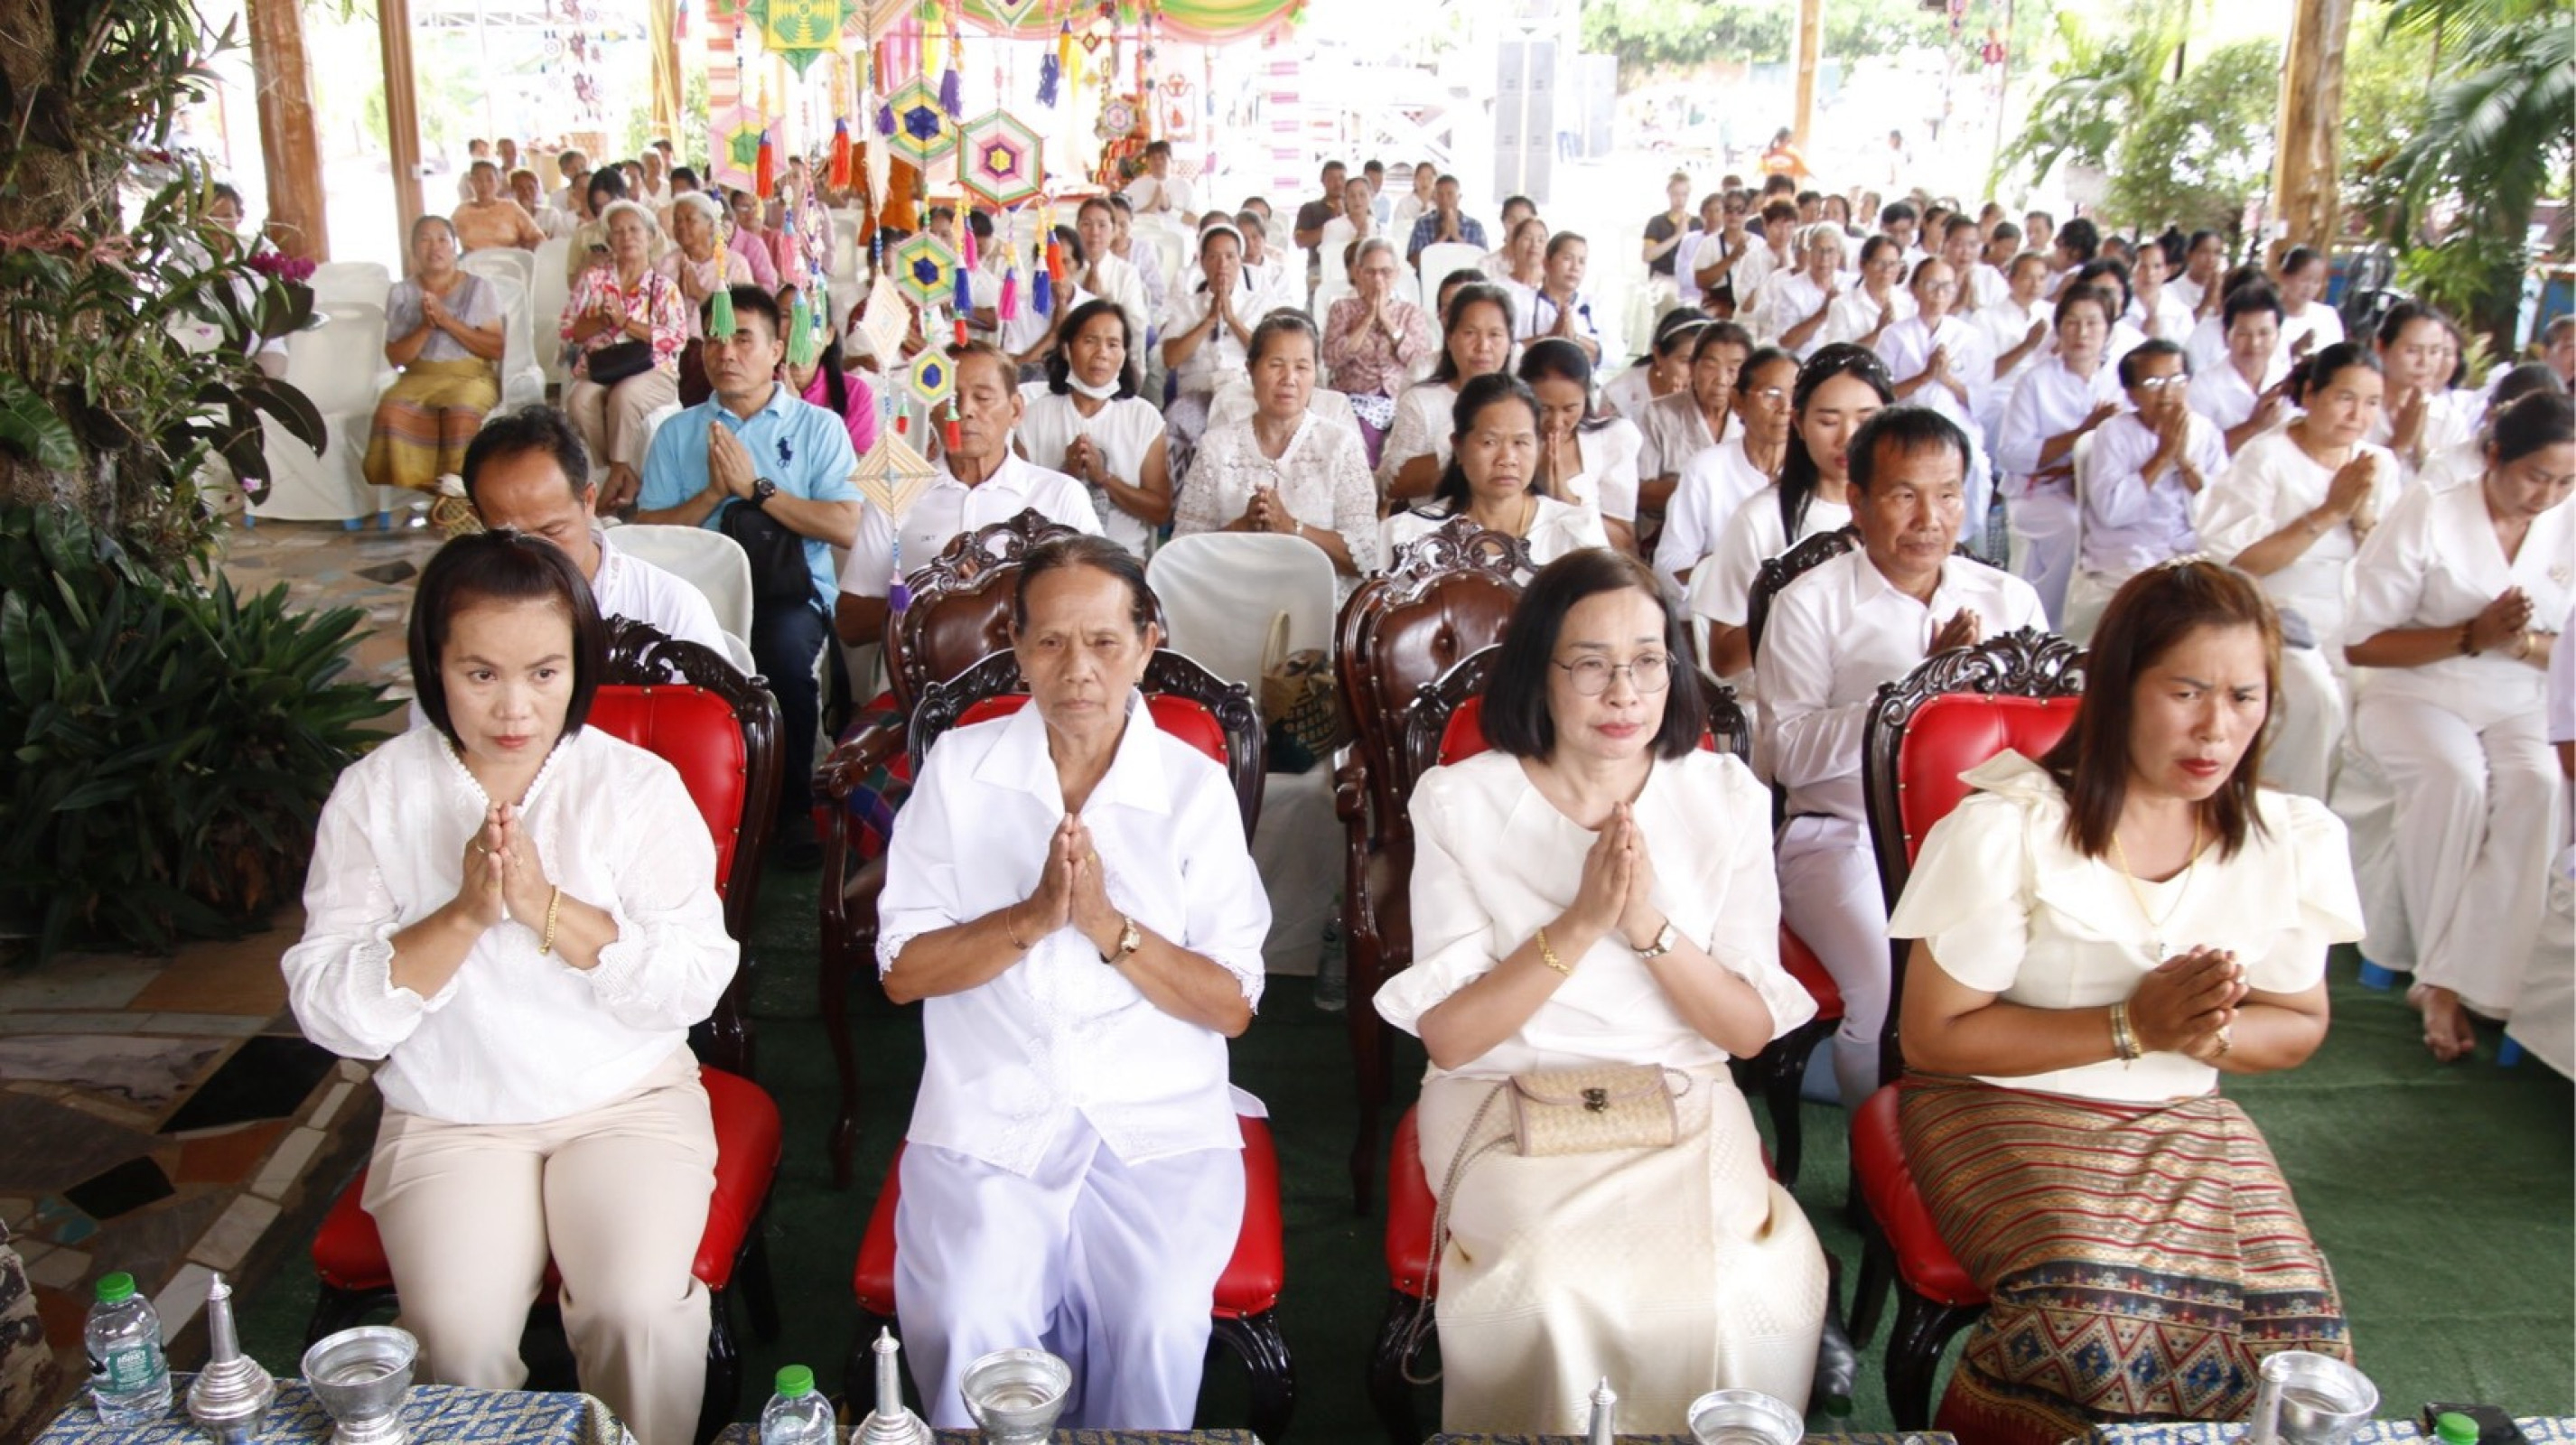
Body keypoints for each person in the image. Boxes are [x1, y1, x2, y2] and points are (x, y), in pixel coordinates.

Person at [1890, 559, 2361, 1445]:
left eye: (2243, 697)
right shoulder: (2009, 828)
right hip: (1994, 1100)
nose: (2215, 728)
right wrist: (2130, 1025)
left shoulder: (2283, 839)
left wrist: (2203, 1028)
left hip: (2181, 1113)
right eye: (2184, 691)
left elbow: (2296, 1021)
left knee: (2295, 1328)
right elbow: (1934, 1037)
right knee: (2087, 1311)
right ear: (2116, 688)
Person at [282, 530, 737, 1445]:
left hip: (624, 1098)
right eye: (479, 674)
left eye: (543, 671)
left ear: (581, 663)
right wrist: (460, 914)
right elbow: (328, 1001)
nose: (514, 706)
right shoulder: (376, 793)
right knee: (456, 1335)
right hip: (452, 1109)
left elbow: (693, 978)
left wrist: (542, 905)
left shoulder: (635, 786)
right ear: (433, 665)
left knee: (634, 1313)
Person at [1375, 547, 1829, 1432]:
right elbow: (1452, 1039)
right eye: (1589, 663)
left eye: (1647, 660)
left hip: (1679, 1089)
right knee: (1548, 1280)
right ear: (1538, 672)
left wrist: (1645, 926)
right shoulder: (1460, 801)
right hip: (1501, 1091)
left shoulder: (1723, 795)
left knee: (1743, 1287)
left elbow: (1741, 1034)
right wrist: (1580, 921)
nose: (1622, 690)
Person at [877, 536, 1271, 1431]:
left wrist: (1106, 926)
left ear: (1146, 643)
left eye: (1103, 641)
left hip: (1154, 1117)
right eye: (1049, 642)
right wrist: (1030, 917)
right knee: (971, 1314)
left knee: (1156, 1318)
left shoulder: (1192, 787)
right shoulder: (959, 772)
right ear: (1015, 649)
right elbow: (902, 973)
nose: (1077, 669)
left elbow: (1230, 1004)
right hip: (990, 1108)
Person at [1759, 406, 2047, 1105]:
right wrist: (1915, 695)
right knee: (1888, 994)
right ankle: (1880, 1126)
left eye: (1948, 493)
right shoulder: (1809, 604)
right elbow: (1787, 755)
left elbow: (2049, 739)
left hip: (1984, 838)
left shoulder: (2009, 598)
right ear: (1856, 501)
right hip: (1841, 838)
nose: (1930, 518)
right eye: (1904, 494)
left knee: (2043, 975)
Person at [2345, 391, 2573, 1059]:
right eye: (2537, 476)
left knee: (2539, 784)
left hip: (2524, 692)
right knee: (2456, 781)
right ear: (2495, 454)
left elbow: (2569, 655)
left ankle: (2494, 981)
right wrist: (2469, 637)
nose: (2548, 494)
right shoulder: (2431, 511)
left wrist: (2520, 645)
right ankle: (2439, 980)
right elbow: (2362, 645)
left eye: (2567, 481)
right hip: (2417, 689)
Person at [635, 285, 863, 863]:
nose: (725, 351)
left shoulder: (819, 428)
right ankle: (687, 805)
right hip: (694, 595)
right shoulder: (678, 432)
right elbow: (649, 528)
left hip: (790, 593)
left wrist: (755, 490)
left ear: (777, 349)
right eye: (714, 337)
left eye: (742, 337)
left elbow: (845, 525)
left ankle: (787, 809)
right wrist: (713, 492)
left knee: (782, 652)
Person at [2193, 343, 2401, 799]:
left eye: (2371, 403)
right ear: (2310, 394)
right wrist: (2330, 512)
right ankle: (2290, 819)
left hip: (2356, 613)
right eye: (2345, 398)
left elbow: (2390, 559)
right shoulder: (2267, 457)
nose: (2357, 415)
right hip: (2276, 611)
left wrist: (2362, 519)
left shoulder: (2377, 464)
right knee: (2317, 703)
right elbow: (2240, 562)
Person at [837, 341, 1102, 648]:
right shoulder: (895, 497)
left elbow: (1102, 600)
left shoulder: (1059, 495)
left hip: (1031, 687)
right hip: (921, 688)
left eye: (983, 397)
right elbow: (850, 624)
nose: (963, 411)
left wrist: (1002, 591)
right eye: (948, 398)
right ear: (930, 407)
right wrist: (933, 592)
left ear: (1016, 410)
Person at [1690, 344, 1893, 686]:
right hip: (1784, 706)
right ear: (1798, 422)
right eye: (1828, 421)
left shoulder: (1904, 515)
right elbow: (1724, 659)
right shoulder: (1761, 518)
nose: (1848, 438)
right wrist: (1790, 595)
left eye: (1866, 420)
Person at [459, 406, 731, 659]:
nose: (533, 552)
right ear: (478, 519)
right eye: (509, 537)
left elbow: (716, 710)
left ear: (588, 501)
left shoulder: (667, 606)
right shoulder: (464, 611)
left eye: (552, 530)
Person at [1173, 312, 1381, 601]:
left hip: (1320, 615)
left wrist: (1292, 528)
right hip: (1230, 609)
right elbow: (1182, 556)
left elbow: (1367, 558)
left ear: (1315, 375)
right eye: (1276, 365)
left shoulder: (1340, 445)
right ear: (1251, 369)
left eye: (1302, 367)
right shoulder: (1216, 448)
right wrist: (1241, 528)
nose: (1289, 379)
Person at [2066, 340, 2227, 641]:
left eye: (2177, 380)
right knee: (2159, 602)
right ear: (2131, 392)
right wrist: (2162, 457)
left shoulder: (2205, 431)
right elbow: (2112, 511)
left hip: (2191, 546)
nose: (2167, 393)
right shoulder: (2113, 434)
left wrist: (2184, 462)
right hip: (2130, 547)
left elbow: (2219, 508)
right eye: (2154, 383)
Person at [1995, 284, 2125, 622]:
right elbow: (2012, 454)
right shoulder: (2036, 381)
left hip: (2101, 491)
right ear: (2059, 328)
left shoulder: (2119, 381)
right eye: (2072, 322)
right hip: (2041, 492)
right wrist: (2082, 432)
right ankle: (2045, 632)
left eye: (2093, 323)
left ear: (2108, 331)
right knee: (2070, 527)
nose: (2082, 333)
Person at [1384, 373, 1608, 567]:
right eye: (1490, 442)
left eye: (1521, 443)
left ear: (1539, 447)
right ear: (1459, 448)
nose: (1507, 459)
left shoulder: (1574, 535)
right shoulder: (1409, 537)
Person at [1017, 298, 1172, 558]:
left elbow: (1160, 511)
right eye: (1090, 341)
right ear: (1067, 349)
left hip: (1122, 556)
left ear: (1123, 355)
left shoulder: (1143, 417)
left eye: (1113, 344)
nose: (1102, 353)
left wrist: (1104, 479)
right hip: (1051, 557)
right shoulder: (1035, 415)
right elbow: (1017, 508)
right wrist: (1067, 476)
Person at [559, 200, 686, 515]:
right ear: (609, 239)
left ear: (650, 236)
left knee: (624, 395)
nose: (627, 237)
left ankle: (616, 476)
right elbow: (566, 330)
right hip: (603, 368)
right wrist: (603, 321)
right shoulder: (593, 279)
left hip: (654, 370)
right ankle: (621, 475)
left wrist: (625, 322)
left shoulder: (663, 286)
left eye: (634, 230)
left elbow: (677, 337)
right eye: (618, 232)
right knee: (580, 399)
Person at [365, 216, 505, 498]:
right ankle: (434, 492)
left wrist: (447, 321)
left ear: (455, 247)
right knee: (391, 410)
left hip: (471, 375)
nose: (435, 247)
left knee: (462, 410)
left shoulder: (479, 288)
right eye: (425, 240)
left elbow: (495, 348)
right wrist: (427, 325)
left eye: (442, 239)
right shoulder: (402, 292)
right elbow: (396, 358)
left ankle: (462, 496)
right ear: (413, 250)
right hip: (419, 375)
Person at [1657, 346, 1797, 587]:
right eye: (1771, 394)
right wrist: (1733, 564)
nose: (1785, 407)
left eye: (1797, 395)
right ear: (1738, 402)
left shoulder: (1818, 471)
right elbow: (1669, 565)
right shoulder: (1706, 469)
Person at [1874, 258, 1993, 536]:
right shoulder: (1894, 335)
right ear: (1915, 289)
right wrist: (1925, 376)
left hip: (1957, 429)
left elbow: (1980, 401)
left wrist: (1946, 378)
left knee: (1975, 469)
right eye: (1931, 285)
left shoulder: (1970, 336)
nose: (1939, 293)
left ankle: (1962, 539)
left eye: (1946, 287)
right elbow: (1881, 395)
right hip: (1906, 428)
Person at [1380, 282, 1517, 502]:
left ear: (1510, 342)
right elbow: (1394, 485)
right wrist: (1466, 450)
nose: (1483, 346)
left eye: (1495, 335)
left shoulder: (1523, 404)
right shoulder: (1422, 402)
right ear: (1450, 338)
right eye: (1470, 333)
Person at [1518, 339, 1647, 553]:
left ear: (1586, 399)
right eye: (1545, 408)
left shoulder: (1611, 440)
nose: (1557, 422)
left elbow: (1624, 541)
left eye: (1569, 409)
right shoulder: (1506, 441)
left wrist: (1566, 500)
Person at [1323, 237, 1438, 461]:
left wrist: (1386, 319)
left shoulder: (1410, 312)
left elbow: (1419, 359)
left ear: (1396, 274)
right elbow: (1331, 358)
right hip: (1357, 398)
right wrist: (1367, 320)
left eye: (1385, 272)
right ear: (1357, 273)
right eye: (1370, 272)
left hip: (1401, 397)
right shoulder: (1342, 309)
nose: (1378, 279)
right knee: (1362, 448)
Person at [1159, 223, 1259, 476]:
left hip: (1245, 392)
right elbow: (1170, 358)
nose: (1222, 264)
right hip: (1198, 393)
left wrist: (1233, 320)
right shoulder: (1186, 307)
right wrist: (1209, 320)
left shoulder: (1260, 305)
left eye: (1230, 256)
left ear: (1241, 261)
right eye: (1213, 257)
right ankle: (1181, 507)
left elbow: (1267, 355)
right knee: (1178, 420)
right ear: (1202, 263)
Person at [658, 191, 757, 406]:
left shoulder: (733, 264)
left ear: (711, 226)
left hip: (717, 348)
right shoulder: (668, 264)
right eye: (677, 221)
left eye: (690, 220)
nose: (682, 226)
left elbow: (743, 317)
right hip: (672, 351)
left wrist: (700, 293)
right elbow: (656, 315)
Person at [2370, 301, 2482, 483]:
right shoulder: (2358, 411)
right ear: (2381, 347)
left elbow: (2451, 491)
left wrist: (2419, 447)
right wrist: (2398, 445)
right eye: (2412, 351)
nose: (2425, 362)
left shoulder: (2449, 420)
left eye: (2435, 351)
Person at [1636, 319, 1744, 505]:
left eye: (1733, 369)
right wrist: (1702, 492)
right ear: (1693, 367)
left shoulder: (1751, 420)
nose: (1721, 380)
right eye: (1711, 367)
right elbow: (1640, 489)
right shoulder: (1659, 414)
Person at [776, 284, 879, 461]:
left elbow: (856, 470)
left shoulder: (855, 393)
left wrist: (798, 413)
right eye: (786, 316)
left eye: (811, 318)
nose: (798, 328)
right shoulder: (754, 386)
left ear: (829, 335)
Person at [2187, 283, 2291, 453]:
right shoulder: (2202, 386)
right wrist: (2254, 426)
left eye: (2264, 333)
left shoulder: (2288, 380)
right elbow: (2197, 453)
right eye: (2243, 334)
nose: (2254, 344)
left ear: (2278, 336)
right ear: (2225, 336)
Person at [1072, 196, 1153, 350]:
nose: (1094, 232)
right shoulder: (1068, 270)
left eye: (1102, 225)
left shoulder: (1127, 273)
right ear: (1077, 228)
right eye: (1087, 224)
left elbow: (1137, 327)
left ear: (1114, 230)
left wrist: (1106, 304)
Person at [1759, 224, 1848, 363]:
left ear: (1839, 255)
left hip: (1842, 364)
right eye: (1819, 250)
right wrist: (1822, 313)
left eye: (1830, 251)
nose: (1824, 258)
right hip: (1804, 364)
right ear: (1810, 253)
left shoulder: (1850, 284)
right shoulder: (1789, 289)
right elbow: (1786, 344)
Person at [1508, 232, 1602, 363]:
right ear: (1546, 263)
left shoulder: (1596, 304)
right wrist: (1550, 337)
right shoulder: (1518, 302)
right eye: (1568, 259)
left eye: (1582, 261)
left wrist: (1575, 338)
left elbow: (1614, 355)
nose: (1575, 268)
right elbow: (1507, 351)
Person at [1603, 308, 1705, 427]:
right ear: (1658, 355)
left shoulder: (1716, 394)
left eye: (1707, 363)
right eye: (1686, 361)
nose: (1696, 372)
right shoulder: (1617, 396)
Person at [451, 161, 544, 253]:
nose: (484, 185)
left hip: (511, 261)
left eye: (489, 179)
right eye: (479, 180)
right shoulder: (461, 212)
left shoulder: (511, 207)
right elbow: (447, 239)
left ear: (498, 183)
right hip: (473, 263)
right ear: (471, 183)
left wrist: (521, 249)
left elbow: (538, 237)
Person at [2273, 246, 2343, 361]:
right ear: (2284, 277)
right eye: (2304, 280)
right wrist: (2293, 350)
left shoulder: (2327, 316)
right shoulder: (2267, 316)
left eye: (2316, 282)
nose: (2309, 288)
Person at [1405, 173, 1489, 266]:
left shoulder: (1474, 226)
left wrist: (1456, 236)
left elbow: (1483, 263)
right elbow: (1413, 262)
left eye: (1450, 195)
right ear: (1434, 198)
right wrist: (1444, 235)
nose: (1445, 200)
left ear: (1459, 197)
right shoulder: (1423, 224)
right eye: (1440, 195)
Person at [1639, 171, 1697, 301]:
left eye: (1684, 195)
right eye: (1675, 194)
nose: (1680, 199)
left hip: (1690, 280)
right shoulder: (1657, 222)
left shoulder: (1697, 223)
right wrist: (1677, 236)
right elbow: (1647, 255)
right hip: (1663, 278)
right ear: (1669, 194)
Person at [2124, 238, 2191, 341]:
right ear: (2131, 269)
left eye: (2157, 266)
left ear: (2167, 271)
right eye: (2143, 266)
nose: (2150, 274)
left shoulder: (2180, 313)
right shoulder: (2121, 307)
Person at [1123, 139, 1197, 224]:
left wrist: (1169, 208)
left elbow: (1195, 222)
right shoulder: (1135, 186)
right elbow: (1126, 220)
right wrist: (1153, 205)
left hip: (1176, 236)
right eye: (1153, 158)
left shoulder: (1185, 185)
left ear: (1171, 161)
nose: (1158, 162)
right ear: (1147, 162)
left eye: (1162, 157)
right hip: (1143, 235)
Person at [1317, 175, 1377, 280]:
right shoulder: (1332, 227)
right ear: (1345, 198)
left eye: (1362, 195)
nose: (1357, 200)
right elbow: (1328, 260)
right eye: (1352, 195)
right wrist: (1356, 241)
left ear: (1371, 196)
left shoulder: (1379, 228)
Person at [2170, 228, 2228, 319]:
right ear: (2189, 255)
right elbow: (2179, 330)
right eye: (2204, 252)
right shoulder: (2171, 291)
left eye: (2217, 253)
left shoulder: (2226, 289)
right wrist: (2206, 301)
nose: (2211, 259)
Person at [1391, 160, 1439, 242]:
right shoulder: (1404, 203)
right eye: (1421, 178)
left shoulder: (1439, 205)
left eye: (1429, 178)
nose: (1425, 182)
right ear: (1415, 180)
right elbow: (1398, 230)